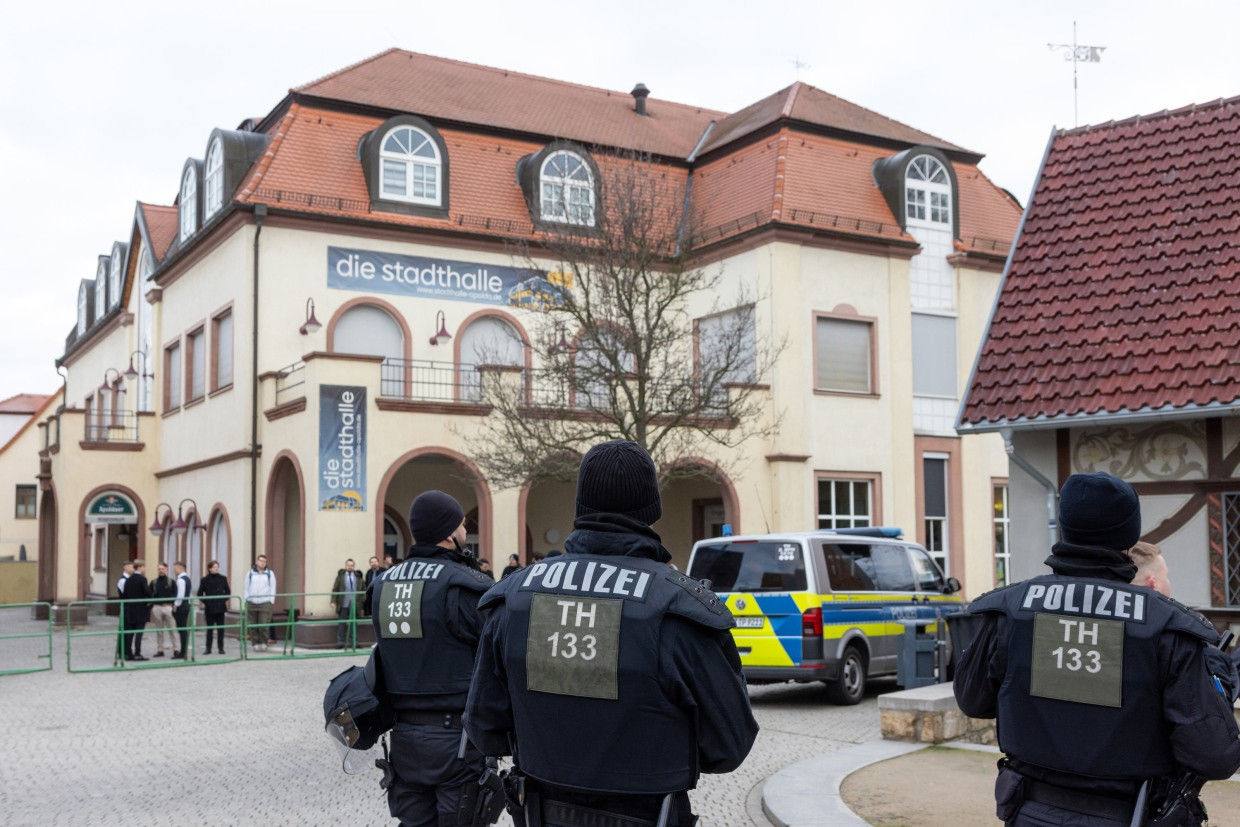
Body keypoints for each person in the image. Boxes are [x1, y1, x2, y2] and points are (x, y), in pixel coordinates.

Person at [464, 439, 758, 827]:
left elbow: (485, 729)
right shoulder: (676, 607)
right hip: (647, 813)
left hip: (540, 810)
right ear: (652, 509)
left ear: (580, 507)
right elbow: (729, 746)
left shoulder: (514, 600)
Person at [954, 472, 1240, 826]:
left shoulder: (1011, 607)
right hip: (1126, 814)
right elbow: (1215, 756)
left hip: (1030, 813)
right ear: (1128, 537)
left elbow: (972, 700)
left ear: (1065, 527)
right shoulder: (1165, 625)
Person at [369, 490, 494, 827]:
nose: (466, 531)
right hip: (458, 742)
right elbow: (497, 657)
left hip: (403, 738)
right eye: (462, 525)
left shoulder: (382, 585)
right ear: (448, 533)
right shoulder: (466, 587)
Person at [329, 558, 365, 649]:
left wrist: (362, 600)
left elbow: (364, 590)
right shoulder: (340, 577)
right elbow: (335, 589)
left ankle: (354, 642)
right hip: (343, 603)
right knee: (342, 624)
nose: (350, 567)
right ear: (345, 566)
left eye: (352, 565)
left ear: (354, 566)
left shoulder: (358, 577)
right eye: (348, 565)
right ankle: (340, 642)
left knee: (354, 624)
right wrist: (333, 601)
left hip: (355, 604)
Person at [244, 555, 277, 652]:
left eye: (264, 561)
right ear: (257, 562)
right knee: (253, 624)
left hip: (265, 602)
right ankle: (255, 643)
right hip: (252, 602)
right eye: (261, 561)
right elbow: (246, 587)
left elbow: (273, 588)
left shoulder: (270, 574)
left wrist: (271, 601)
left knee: (263, 624)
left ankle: (264, 642)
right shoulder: (250, 573)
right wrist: (247, 599)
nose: (262, 563)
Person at [197, 560, 230, 654]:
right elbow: (200, 593)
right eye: (214, 567)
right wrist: (207, 602)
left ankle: (221, 648)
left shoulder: (223, 578)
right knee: (210, 629)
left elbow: (228, 592)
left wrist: (223, 600)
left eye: (217, 567)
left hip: (220, 608)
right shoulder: (205, 580)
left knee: (221, 629)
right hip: (210, 608)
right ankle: (208, 648)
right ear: (210, 569)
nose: (216, 568)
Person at [122, 559, 152, 662]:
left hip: (130, 609)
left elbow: (125, 595)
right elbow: (147, 592)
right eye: (144, 566)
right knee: (139, 633)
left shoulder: (128, 580)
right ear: (140, 567)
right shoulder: (142, 579)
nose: (144, 569)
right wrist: (150, 598)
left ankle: (128, 653)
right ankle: (137, 653)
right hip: (140, 609)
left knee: (130, 632)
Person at [148, 562, 177, 657]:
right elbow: (150, 594)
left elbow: (175, 594)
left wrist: (172, 604)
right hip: (157, 607)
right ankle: (160, 650)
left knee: (172, 629)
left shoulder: (171, 582)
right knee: (159, 630)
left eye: (162, 569)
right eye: (159, 569)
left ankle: (176, 649)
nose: (161, 571)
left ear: (166, 569)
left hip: (168, 607)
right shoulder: (153, 582)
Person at [172, 561, 192, 659]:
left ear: (180, 568)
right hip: (185, 605)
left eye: (175, 568)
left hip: (181, 606)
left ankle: (183, 651)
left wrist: (176, 605)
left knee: (181, 629)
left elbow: (180, 595)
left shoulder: (180, 580)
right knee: (182, 628)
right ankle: (183, 650)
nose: (174, 570)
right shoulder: (187, 579)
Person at [115, 560, 134, 663]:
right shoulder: (123, 580)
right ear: (125, 568)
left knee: (127, 629)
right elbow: (125, 594)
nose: (133, 569)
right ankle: (123, 650)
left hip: (128, 607)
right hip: (125, 607)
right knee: (125, 628)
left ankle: (125, 649)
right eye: (131, 567)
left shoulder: (128, 579)